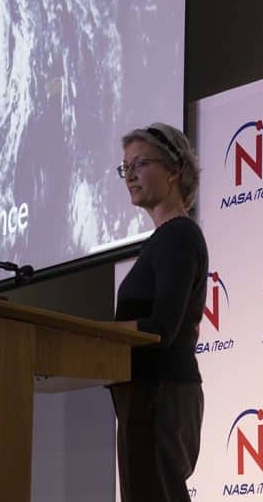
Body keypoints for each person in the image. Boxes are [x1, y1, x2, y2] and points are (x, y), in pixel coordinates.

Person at [111, 123, 208, 502]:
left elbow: (162, 328)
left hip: (160, 394)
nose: (130, 175)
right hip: (150, 393)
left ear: (173, 170)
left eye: (140, 163)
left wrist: (103, 334)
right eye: (125, 167)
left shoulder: (178, 236)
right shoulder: (165, 238)